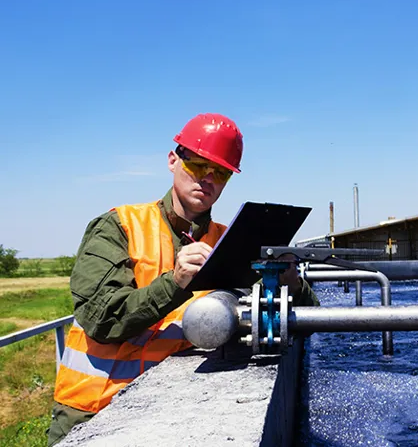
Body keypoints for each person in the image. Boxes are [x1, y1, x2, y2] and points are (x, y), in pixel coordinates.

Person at [47, 113, 319, 445]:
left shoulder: (227, 242)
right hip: (94, 412)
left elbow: (305, 320)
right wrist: (174, 282)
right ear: (173, 159)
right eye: (198, 165)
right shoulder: (119, 226)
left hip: (175, 409)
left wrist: (291, 283)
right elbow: (99, 317)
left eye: (220, 172)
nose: (208, 178)